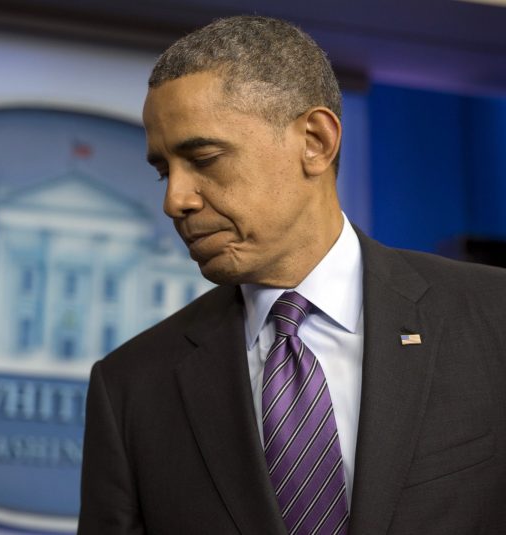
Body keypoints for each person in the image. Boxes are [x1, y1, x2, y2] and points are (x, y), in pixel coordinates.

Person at [78, 15, 506, 535]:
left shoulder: (492, 318)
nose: (175, 201)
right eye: (164, 171)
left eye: (204, 159)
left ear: (315, 141)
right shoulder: (131, 387)